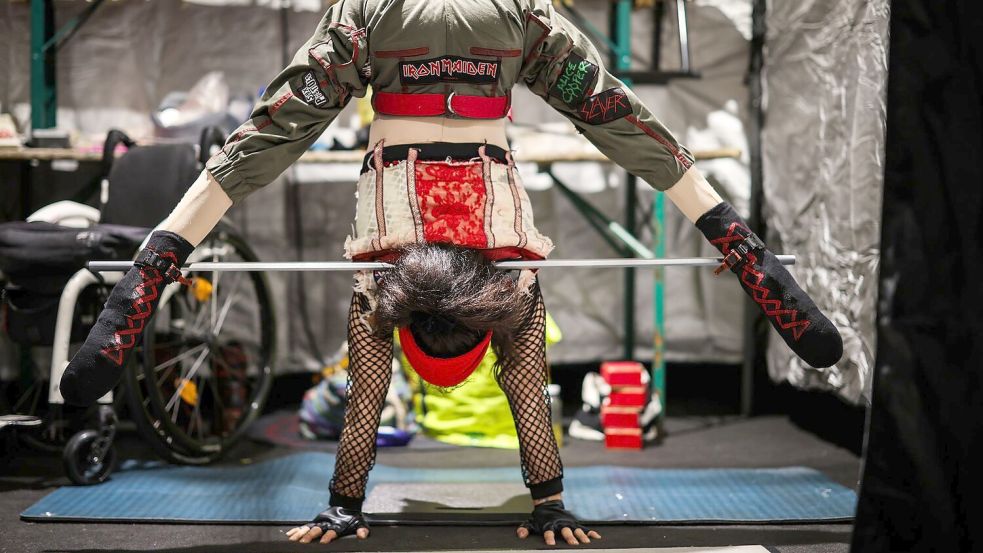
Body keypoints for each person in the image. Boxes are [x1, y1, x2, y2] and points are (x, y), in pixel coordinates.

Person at [59, 0, 843, 546]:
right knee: (615, 118)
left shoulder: (491, 286)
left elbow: (268, 138)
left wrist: (344, 507)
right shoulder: (410, 283)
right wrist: (547, 503)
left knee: (270, 136)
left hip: (429, 37)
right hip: (452, 40)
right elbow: (617, 123)